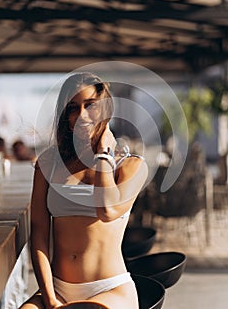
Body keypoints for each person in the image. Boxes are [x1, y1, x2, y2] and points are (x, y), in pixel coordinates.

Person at [20, 72, 148, 309]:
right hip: (57, 290)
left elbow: (107, 210)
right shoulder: (49, 163)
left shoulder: (131, 166)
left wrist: (103, 156)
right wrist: (49, 299)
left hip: (109, 289)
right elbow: (38, 234)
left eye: (91, 105)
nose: (81, 116)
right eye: (72, 108)